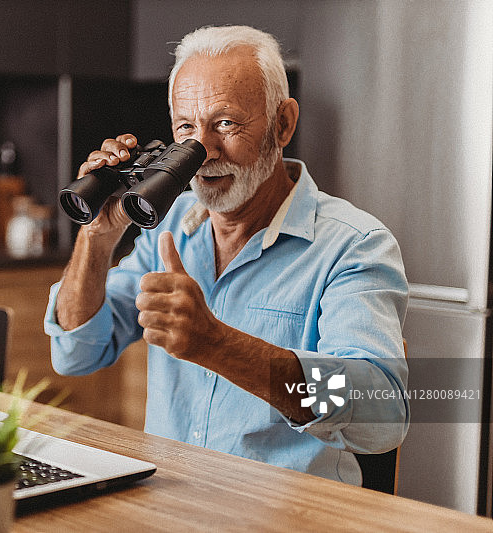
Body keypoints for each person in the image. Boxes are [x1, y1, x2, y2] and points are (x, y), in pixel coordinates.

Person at [44, 25, 409, 485]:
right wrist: (97, 237)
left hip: (288, 513)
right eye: (186, 128)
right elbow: (75, 354)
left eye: (226, 124)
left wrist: (217, 344)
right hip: (170, 502)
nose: (203, 153)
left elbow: (382, 415)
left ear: (282, 124)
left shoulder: (352, 245)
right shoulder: (171, 225)